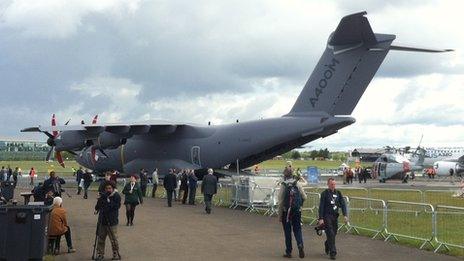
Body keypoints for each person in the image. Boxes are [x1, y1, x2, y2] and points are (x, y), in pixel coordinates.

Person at [278, 166, 307, 258]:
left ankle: (289, 251)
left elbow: (281, 201)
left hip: (286, 211)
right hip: (296, 210)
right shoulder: (297, 183)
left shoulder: (284, 184)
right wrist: (300, 205)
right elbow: (304, 197)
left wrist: (279, 215)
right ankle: (300, 244)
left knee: (287, 231)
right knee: (297, 229)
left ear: (285, 175)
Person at [318, 178, 348, 260]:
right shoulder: (324, 194)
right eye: (331, 184)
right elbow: (321, 207)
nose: (333, 186)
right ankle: (333, 252)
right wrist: (320, 218)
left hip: (335, 216)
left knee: (334, 233)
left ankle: (327, 243)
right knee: (330, 233)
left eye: (334, 184)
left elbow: (343, 204)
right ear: (328, 184)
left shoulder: (338, 193)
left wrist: (345, 215)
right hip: (327, 216)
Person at [94, 181, 121, 260]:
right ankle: (100, 254)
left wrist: (106, 200)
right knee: (101, 239)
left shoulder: (116, 196)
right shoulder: (103, 196)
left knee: (113, 239)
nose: (108, 190)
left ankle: (115, 253)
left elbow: (115, 206)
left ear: (113, 188)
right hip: (102, 220)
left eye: (109, 188)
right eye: (106, 188)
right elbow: (97, 206)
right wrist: (100, 199)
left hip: (112, 221)